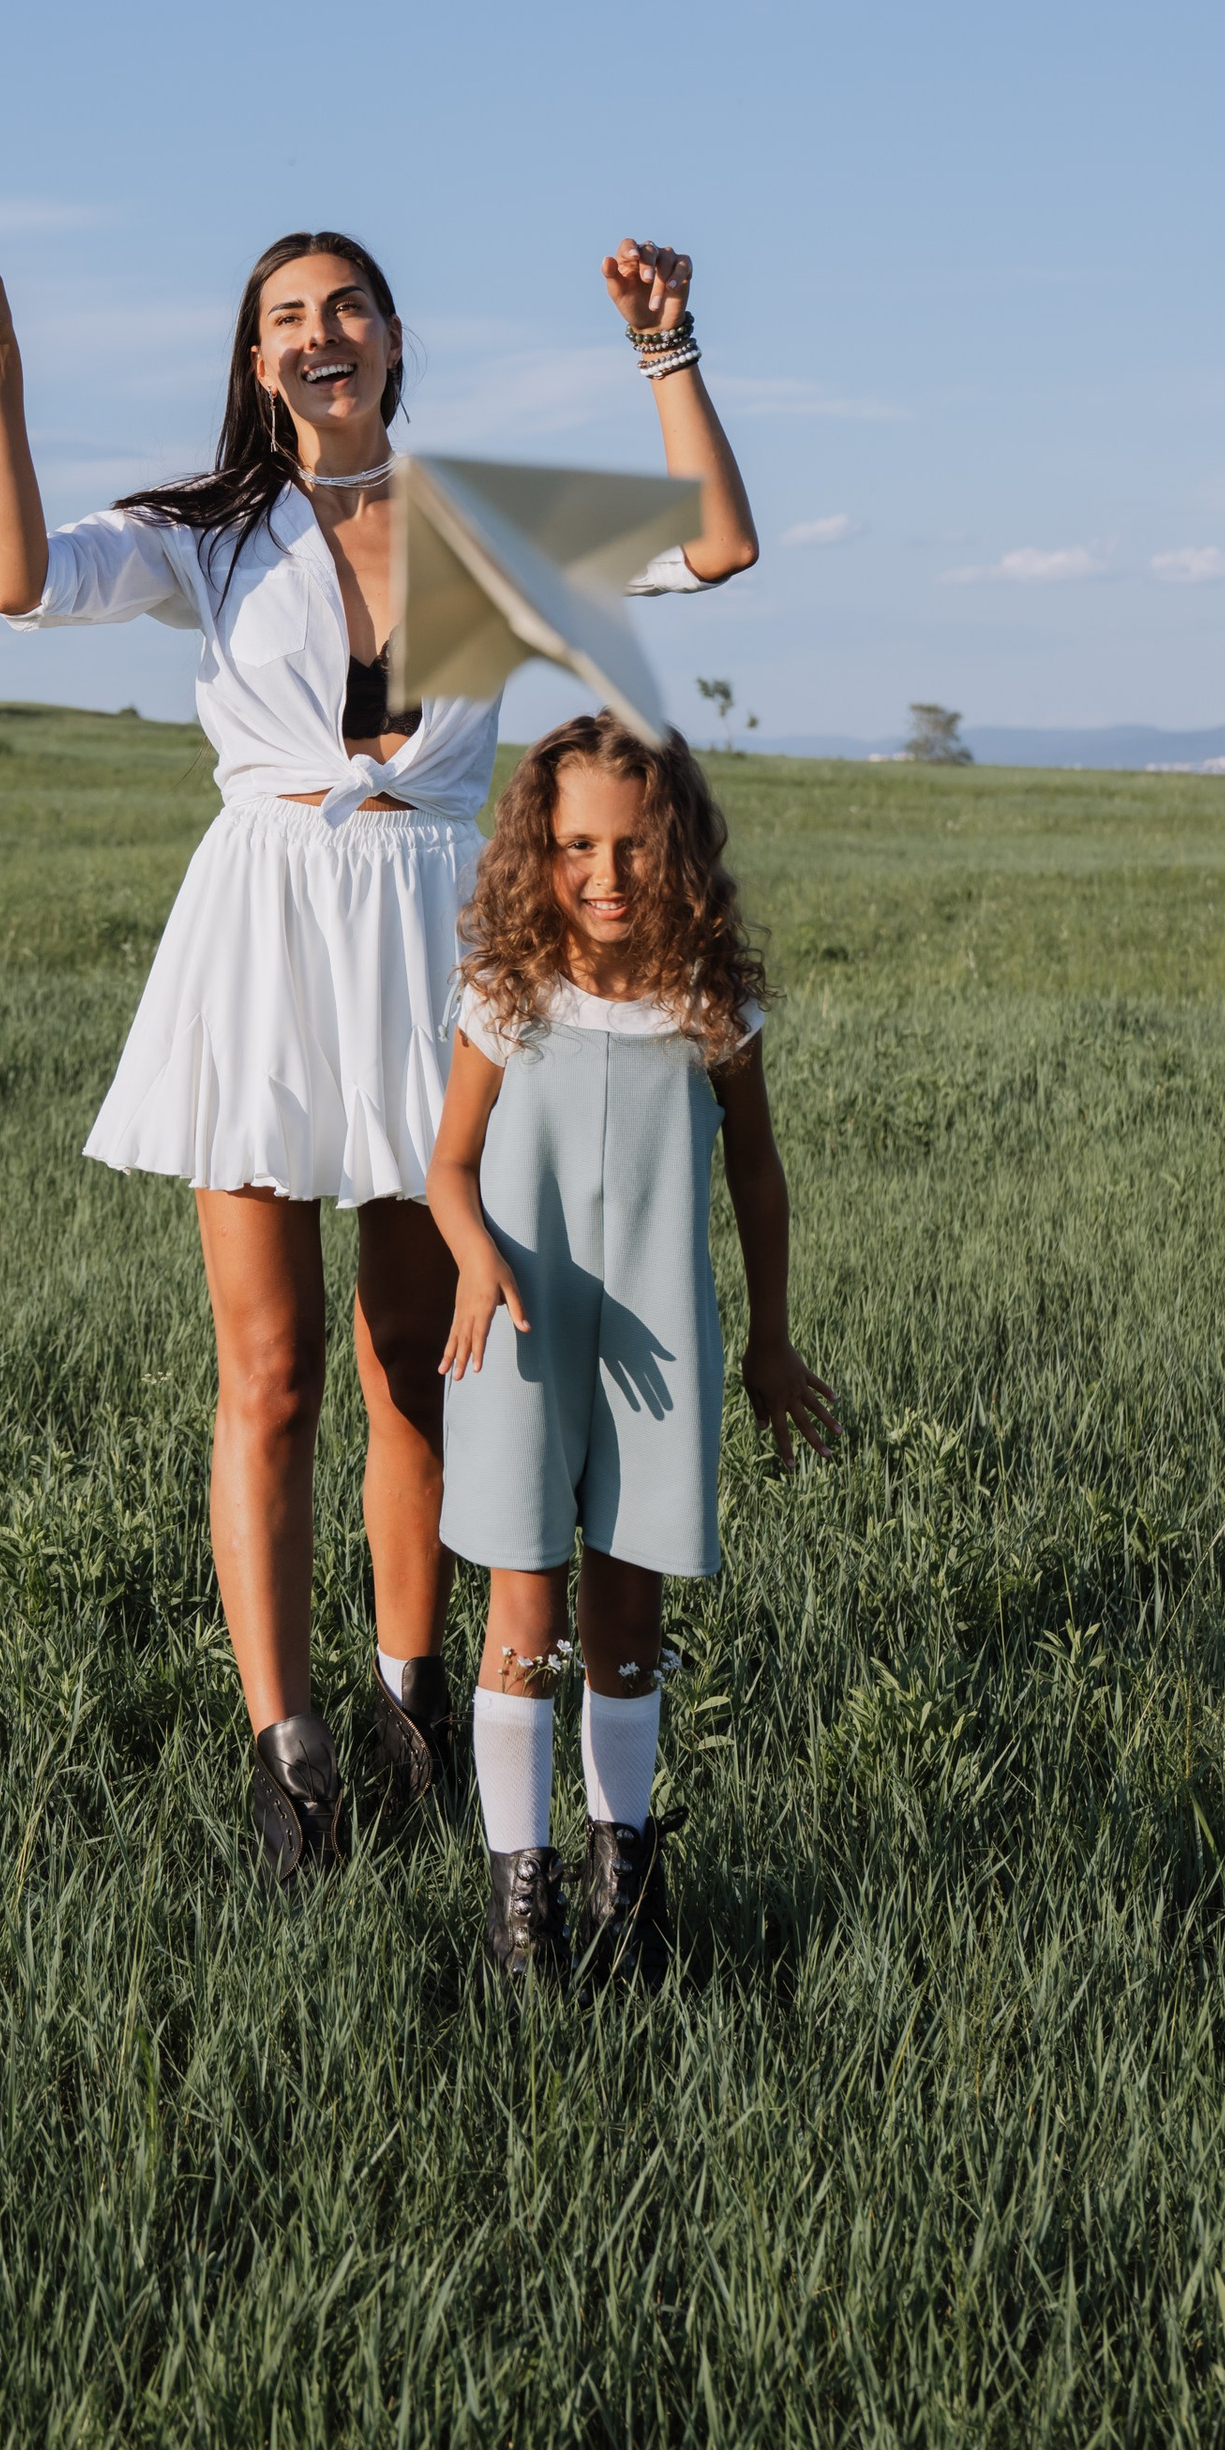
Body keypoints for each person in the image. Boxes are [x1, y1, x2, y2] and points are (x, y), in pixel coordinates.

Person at [0, 216, 763, 1879]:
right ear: (257, 362)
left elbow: (716, 544)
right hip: (264, 940)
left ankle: (407, 1701)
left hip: (436, 939)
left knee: (416, 1362)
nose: (323, 333)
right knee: (272, 1372)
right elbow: (18, 583)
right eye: (290, 315)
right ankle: (286, 1752)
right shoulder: (208, 532)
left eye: (350, 306)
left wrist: (666, 350)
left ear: (392, 341)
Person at [427, 713, 840, 1991]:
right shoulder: (505, 993)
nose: (605, 874)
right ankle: (520, 1900)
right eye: (576, 847)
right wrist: (473, 1254)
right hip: (518, 1335)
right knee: (524, 1605)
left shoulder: (708, 1004)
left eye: (633, 845)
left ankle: (628, 1882)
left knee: (627, 1611)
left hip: (660, 1348)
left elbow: (758, 1175)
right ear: (537, 851)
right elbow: (447, 1167)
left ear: (678, 846)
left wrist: (770, 1342)